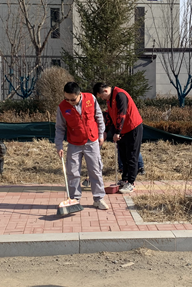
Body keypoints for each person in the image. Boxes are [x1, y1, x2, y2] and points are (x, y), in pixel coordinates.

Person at [55, 82, 108, 210]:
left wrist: (101, 134)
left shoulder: (91, 99)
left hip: (91, 140)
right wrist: (59, 145)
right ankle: (74, 199)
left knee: (95, 170)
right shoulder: (62, 107)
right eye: (66, 98)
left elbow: (99, 116)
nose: (70, 101)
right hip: (74, 143)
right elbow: (60, 128)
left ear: (79, 95)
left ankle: (98, 198)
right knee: (72, 172)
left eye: (72, 99)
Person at [93, 82, 143, 193]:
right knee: (123, 155)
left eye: (101, 96)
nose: (102, 98)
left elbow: (122, 114)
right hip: (122, 130)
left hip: (132, 128)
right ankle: (124, 179)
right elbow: (110, 115)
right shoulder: (109, 99)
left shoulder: (120, 95)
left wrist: (117, 132)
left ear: (105, 91)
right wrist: (105, 131)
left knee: (131, 155)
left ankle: (131, 182)